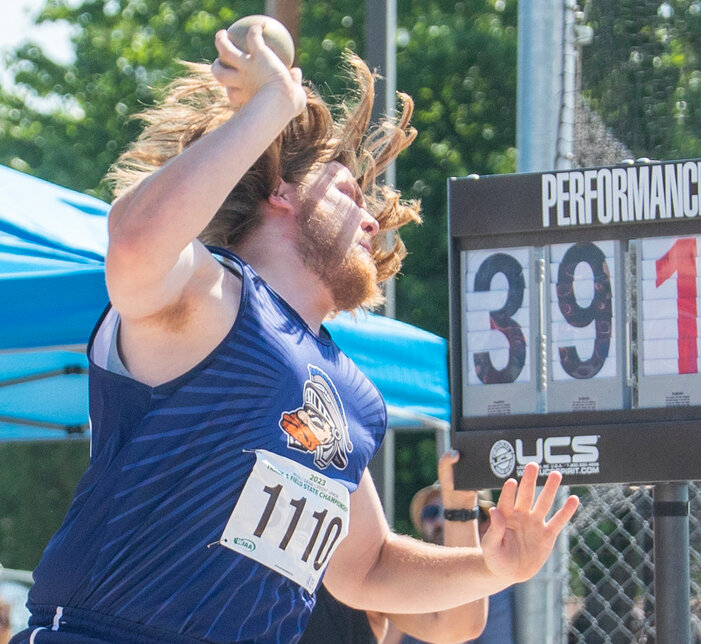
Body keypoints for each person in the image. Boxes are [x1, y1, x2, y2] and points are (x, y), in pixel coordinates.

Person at [12, 24, 580, 644]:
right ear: (280, 191)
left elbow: (368, 568)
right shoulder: (213, 296)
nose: (370, 218)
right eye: (346, 190)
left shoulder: (351, 396)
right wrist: (270, 107)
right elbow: (134, 239)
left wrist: (492, 566)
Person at [301, 450, 491, 644]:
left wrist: (461, 507)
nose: (437, 522)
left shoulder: (359, 565)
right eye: (431, 511)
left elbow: (457, 627)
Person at [383, 455, 515, 644]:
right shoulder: (403, 579)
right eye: (431, 512)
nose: (440, 520)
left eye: (460, 508)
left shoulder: (497, 586)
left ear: (486, 525)